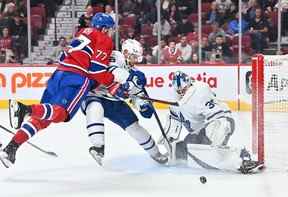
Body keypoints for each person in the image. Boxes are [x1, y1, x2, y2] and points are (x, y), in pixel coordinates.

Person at [0, 13, 127, 168]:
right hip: (77, 78)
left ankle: (10, 148)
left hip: (58, 74)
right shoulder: (104, 39)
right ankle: (25, 109)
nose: (112, 32)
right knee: (62, 114)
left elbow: (62, 56)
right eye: (111, 29)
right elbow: (95, 72)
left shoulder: (82, 33)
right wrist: (112, 83)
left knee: (43, 117)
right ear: (105, 29)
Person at [81, 39, 168, 165]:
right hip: (94, 95)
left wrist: (143, 106)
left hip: (115, 102)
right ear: (126, 52)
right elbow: (111, 71)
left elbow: (137, 95)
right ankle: (98, 147)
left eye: (137, 58)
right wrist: (126, 81)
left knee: (134, 127)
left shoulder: (136, 73)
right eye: (134, 57)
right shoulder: (114, 56)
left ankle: (156, 153)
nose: (135, 60)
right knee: (95, 108)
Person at [158, 71, 264, 174]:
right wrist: (169, 144)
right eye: (179, 91)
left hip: (221, 121)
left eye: (184, 89)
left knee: (209, 154)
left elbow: (188, 99)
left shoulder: (200, 89)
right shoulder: (181, 100)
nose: (182, 93)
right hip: (207, 126)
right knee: (188, 146)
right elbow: (174, 126)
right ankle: (174, 154)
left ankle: (241, 159)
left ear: (189, 83)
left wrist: (178, 105)